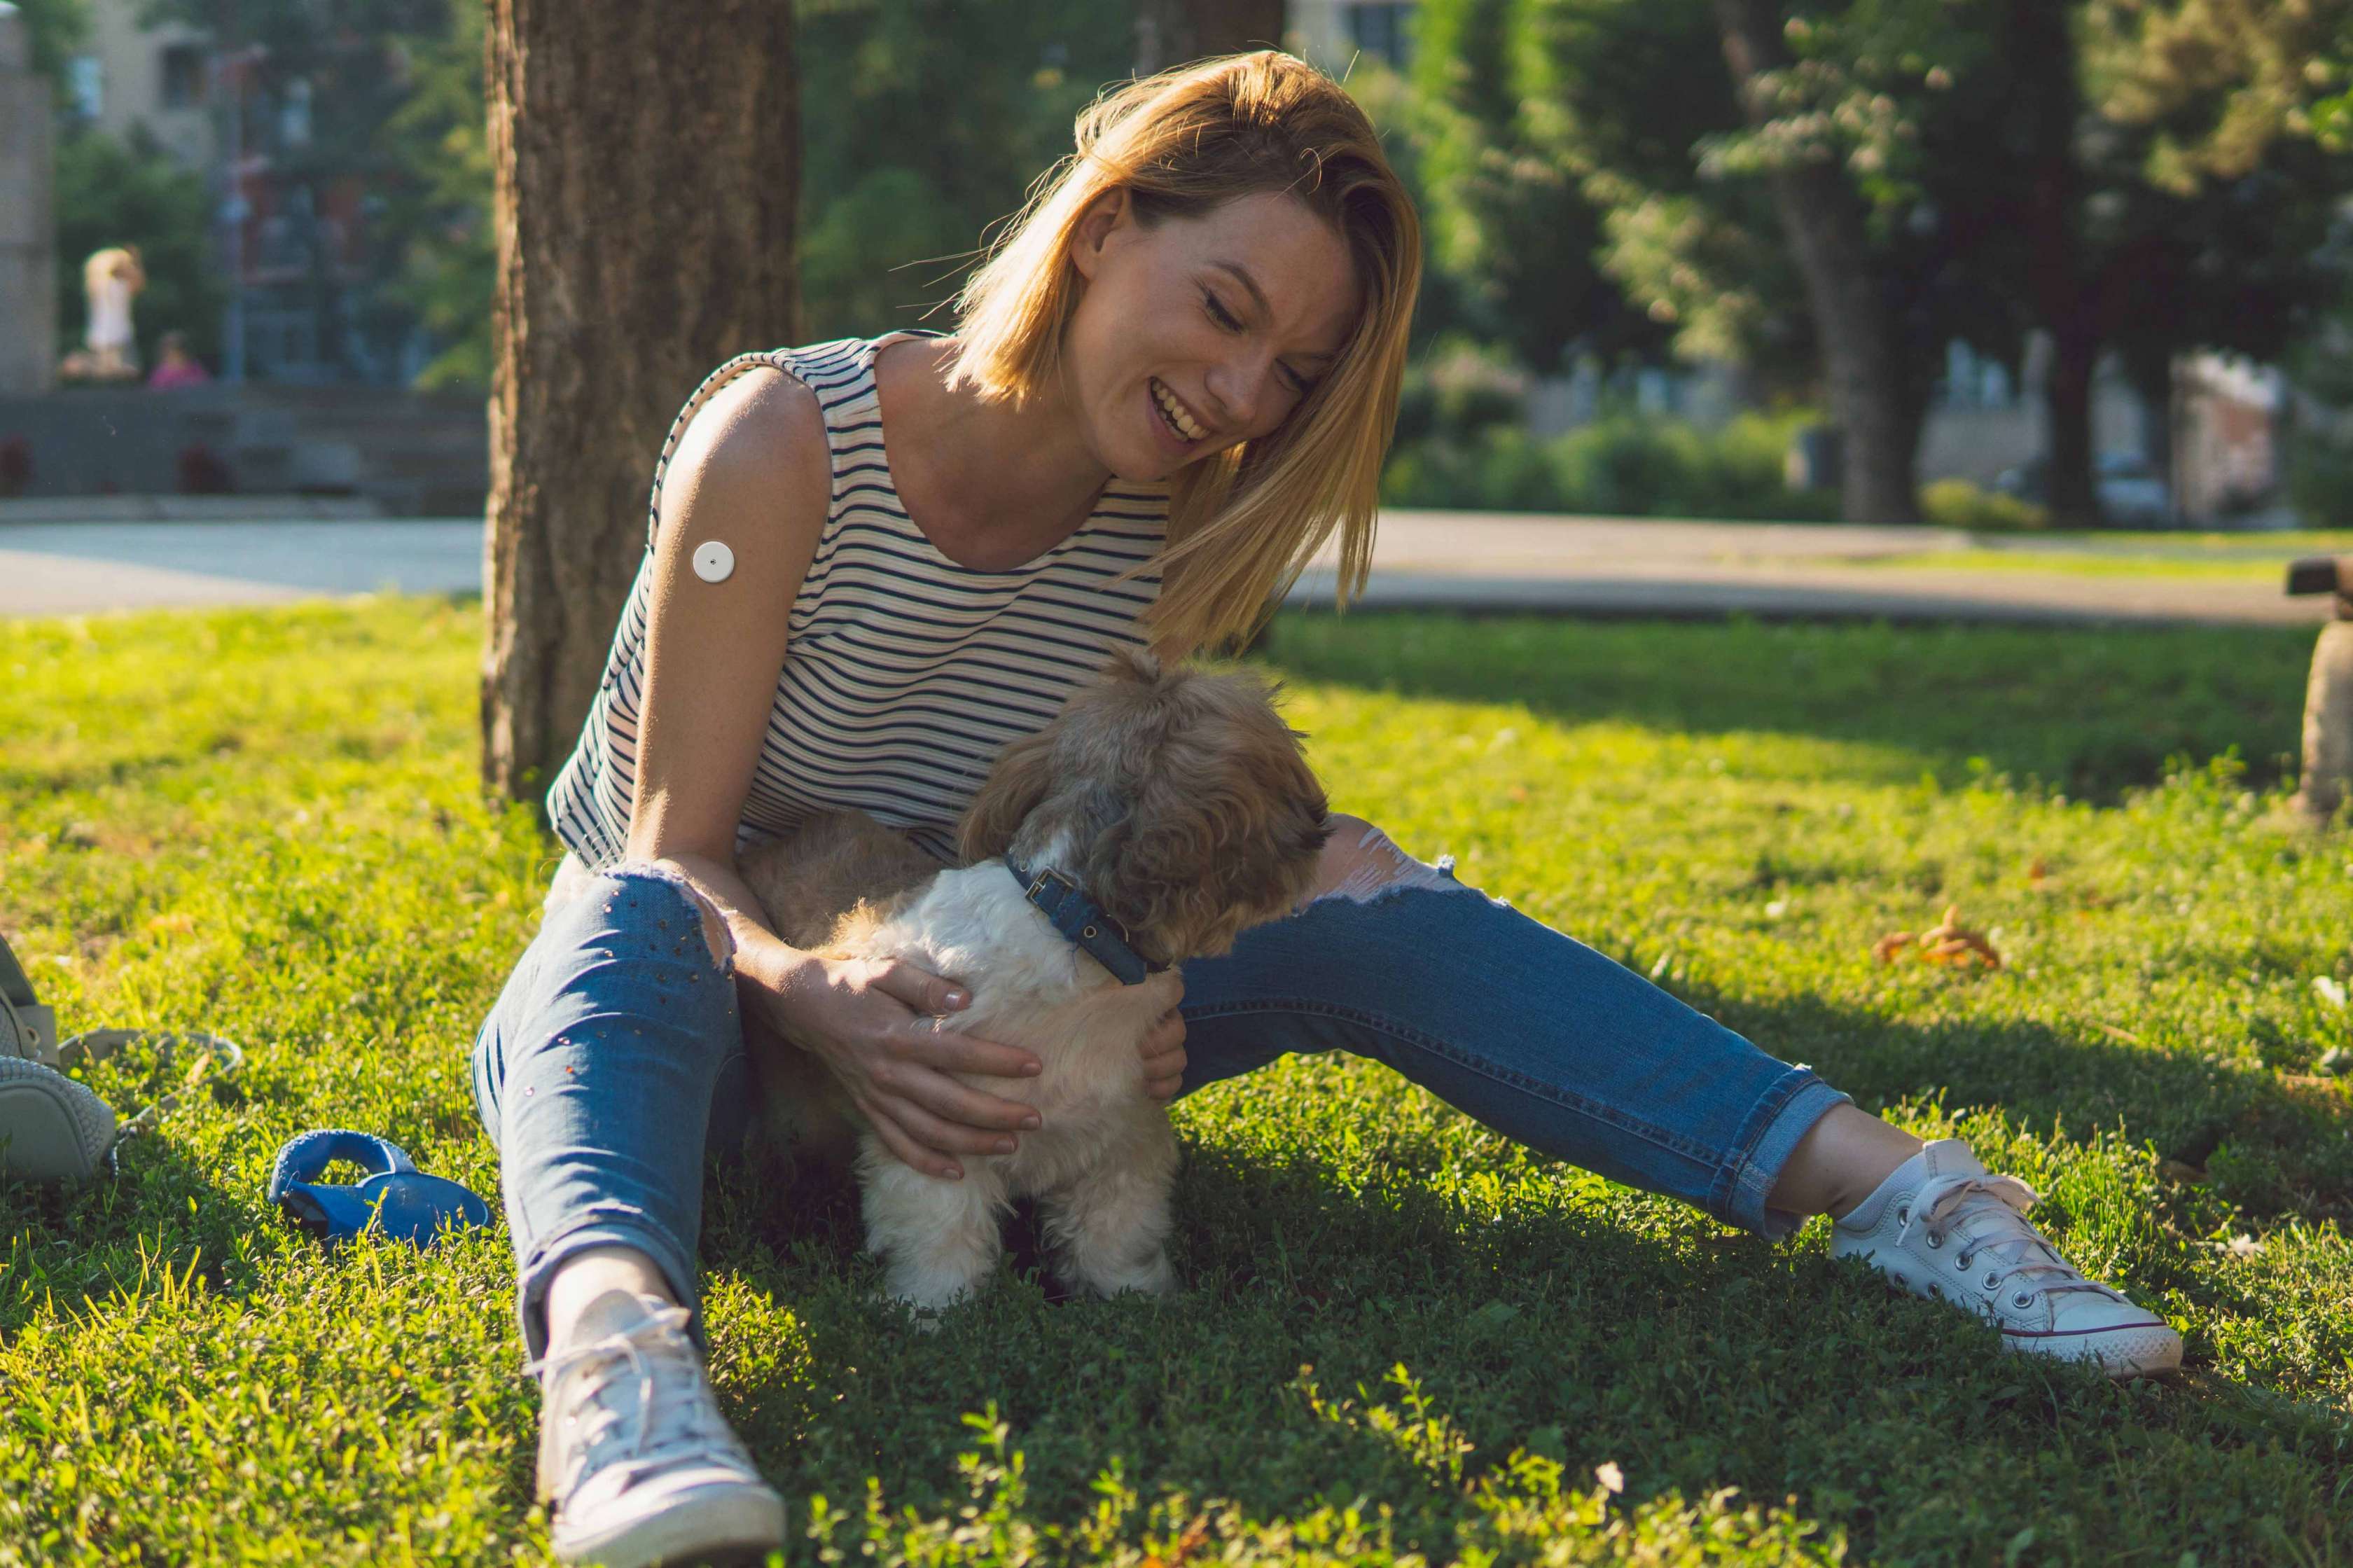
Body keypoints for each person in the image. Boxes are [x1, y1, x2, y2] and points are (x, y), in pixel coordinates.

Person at [470, 52, 2182, 1568]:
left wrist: (1145, 984)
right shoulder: (783, 442)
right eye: (1225, 311)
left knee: (1369, 892)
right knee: (617, 907)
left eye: (1295, 369)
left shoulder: (1171, 526)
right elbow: (674, 848)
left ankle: (1910, 1198)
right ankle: (622, 1366)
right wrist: (815, 998)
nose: (1242, 395)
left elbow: (1095, 863)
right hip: (711, 1040)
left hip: (1002, 1036)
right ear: (1104, 226)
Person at [81, 247, 146, 381]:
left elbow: (137, 284)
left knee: (126, 375)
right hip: (105, 340)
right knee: (107, 376)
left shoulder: (120, 286)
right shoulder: (102, 285)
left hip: (119, 337)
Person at [146, 331, 211, 390]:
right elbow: (155, 394)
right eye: (170, 352)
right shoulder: (160, 375)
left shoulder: (196, 370)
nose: (175, 356)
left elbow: (206, 388)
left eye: (178, 351)